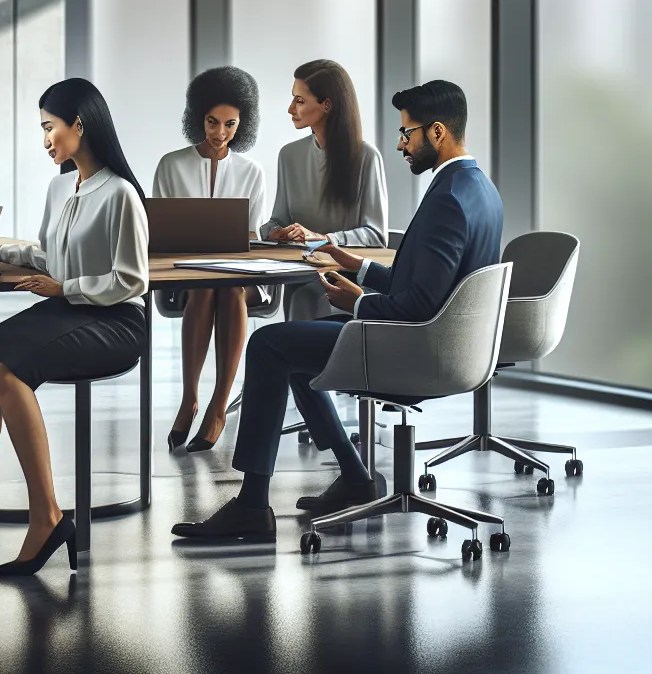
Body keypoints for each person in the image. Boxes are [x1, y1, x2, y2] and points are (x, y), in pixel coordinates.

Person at [171, 80, 504, 543]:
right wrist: (360, 266)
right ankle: (354, 477)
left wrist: (358, 301)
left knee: (269, 345)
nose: (400, 144)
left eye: (408, 134)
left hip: (415, 347)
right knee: (299, 340)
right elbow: (428, 287)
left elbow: (421, 305)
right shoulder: (479, 190)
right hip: (442, 343)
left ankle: (251, 506)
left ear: (438, 133)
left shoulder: (446, 199)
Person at [0, 78, 149, 576]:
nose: (45, 139)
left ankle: (47, 515)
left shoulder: (121, 193)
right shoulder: (62, 185)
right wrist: (1, 249)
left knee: (8, 372)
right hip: (69, 309)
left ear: (79, 125)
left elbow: (130, 279)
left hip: (116, 319)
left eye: (50, 127)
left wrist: (64, 290)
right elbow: (52, 256)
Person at [152, 66, 268, 452]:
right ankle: (190, 399)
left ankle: (218, 405)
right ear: (197, 115)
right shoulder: (171, 164)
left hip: (242, 276)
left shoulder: (253, 172)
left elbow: (253, 236)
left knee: (229, 287)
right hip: (189, 275)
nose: (220, 133)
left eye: (231, 124)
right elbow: (161, 232)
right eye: (212, 122)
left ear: (243, 123)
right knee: (205, 288)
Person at [259, 59, 390, 320]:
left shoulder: (367, 157)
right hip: (300, 275)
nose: (290, 109)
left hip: (345, 283)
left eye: (299, 101)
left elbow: (375, 234)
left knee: (307, 300)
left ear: (326, 105)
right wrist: (276, 231)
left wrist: (324, 239)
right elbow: (276, 219)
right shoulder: (289, 156)